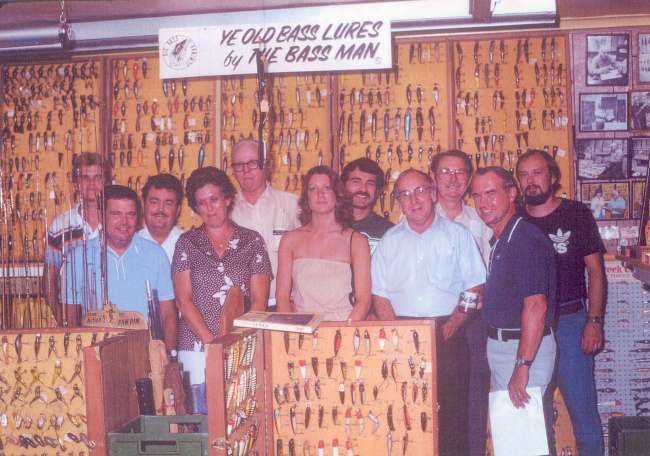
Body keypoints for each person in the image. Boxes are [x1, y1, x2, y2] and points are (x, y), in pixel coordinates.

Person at [371, 168, 486, 456]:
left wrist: (454, 324)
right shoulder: (389, 242)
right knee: (406, 415)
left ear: (433, 193)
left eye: (420, 190)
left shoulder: (458, 235)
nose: (414, 200)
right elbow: (380, 295)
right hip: (403, 337)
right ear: (398, 200)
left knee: (452, 415)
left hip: (449, 332)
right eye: (405, 194)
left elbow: (475, 287)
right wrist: (399, 336)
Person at [517, 149, 606, 455]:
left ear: (552, 177)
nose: (531, 181)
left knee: (584, 415)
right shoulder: (513, 220)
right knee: (535, 417)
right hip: (530, 329)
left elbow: (595, 272)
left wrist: (594, 322)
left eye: (537, 173)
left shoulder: (576, 214)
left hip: (571, 322)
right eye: (524, 175)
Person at [172, 166, 271, 413]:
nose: (210, 208)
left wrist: (234, 341)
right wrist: (213, 344)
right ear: (195, 208)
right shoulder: (186, 243)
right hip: (196, 348)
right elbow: (183, 301)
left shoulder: (252, 241)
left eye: (214, 200)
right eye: (202, 203)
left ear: (227, 198)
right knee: (201, 423)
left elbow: (259, 301)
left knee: (237, 418)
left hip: (240, 344)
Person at [471, 167, 557, 413]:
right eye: (476, 195)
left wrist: (522, 365)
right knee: (512, 440)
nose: (482, 203)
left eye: (490, 193)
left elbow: (536, 306)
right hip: (504, 347)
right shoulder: (502, 238)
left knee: (524, 440)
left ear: (511, 193)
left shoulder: (524, 238)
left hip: (523, 351)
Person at [61, 185, 177, 351]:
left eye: (130, 215)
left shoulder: (156, 255)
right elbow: (70, 318)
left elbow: (168, 316)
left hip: (145, 356)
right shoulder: (77, 258)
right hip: (96, 355)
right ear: (101, 215)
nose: (124, 222)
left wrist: (169, 359)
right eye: (116, 214)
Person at [431, 150, 492, 456]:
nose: (453, 179)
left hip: (472, 323)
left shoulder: (480, 220)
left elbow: (485, 277)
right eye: (445, 172)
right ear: (434, 177)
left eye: (459, 173)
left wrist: (460, 318)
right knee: (433, 398)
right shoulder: (416, 217)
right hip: (432, 320)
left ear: (468, 179)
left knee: (472, 399)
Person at [276, 166, 371, 322]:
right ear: (306, 197)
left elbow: (364, 301)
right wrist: (293, 331)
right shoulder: (290, 240)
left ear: (337, 194)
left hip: (342, 329)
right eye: (313, 189)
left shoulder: (356, 241)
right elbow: (282, 298)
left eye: (326, 188)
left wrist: (345, 333)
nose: (320, 194)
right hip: (301, 330)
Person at [230, 139, 300, 309]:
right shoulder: (227, 212)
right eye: (239, 165)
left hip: (285, 305)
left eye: (252, 163)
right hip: (242, 309)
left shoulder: (292, 205)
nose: (246, 170)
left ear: (266, 165)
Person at [45, 152, 109, 324]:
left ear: (105, 181)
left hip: (114, 318)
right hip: (77, 321)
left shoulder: (118, 224)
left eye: (97, 177)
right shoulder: (60, 226)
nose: (92, 184)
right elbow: (49, 280)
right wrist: (63, 320)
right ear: (76, 183)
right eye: (85, 178)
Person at [341, 158, 393, 254]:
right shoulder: (331, 226)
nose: (363, 189)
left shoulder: (389, 233)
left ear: (377, 191)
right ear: (343, 186)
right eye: (356, 182)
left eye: (370, 183)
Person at [139, 174, 184, 263]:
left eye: (168, 203)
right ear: (143, 205)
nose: (160, 209)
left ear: (178, 209)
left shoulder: (191, 246)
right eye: (154, 202)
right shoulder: (129, 245)